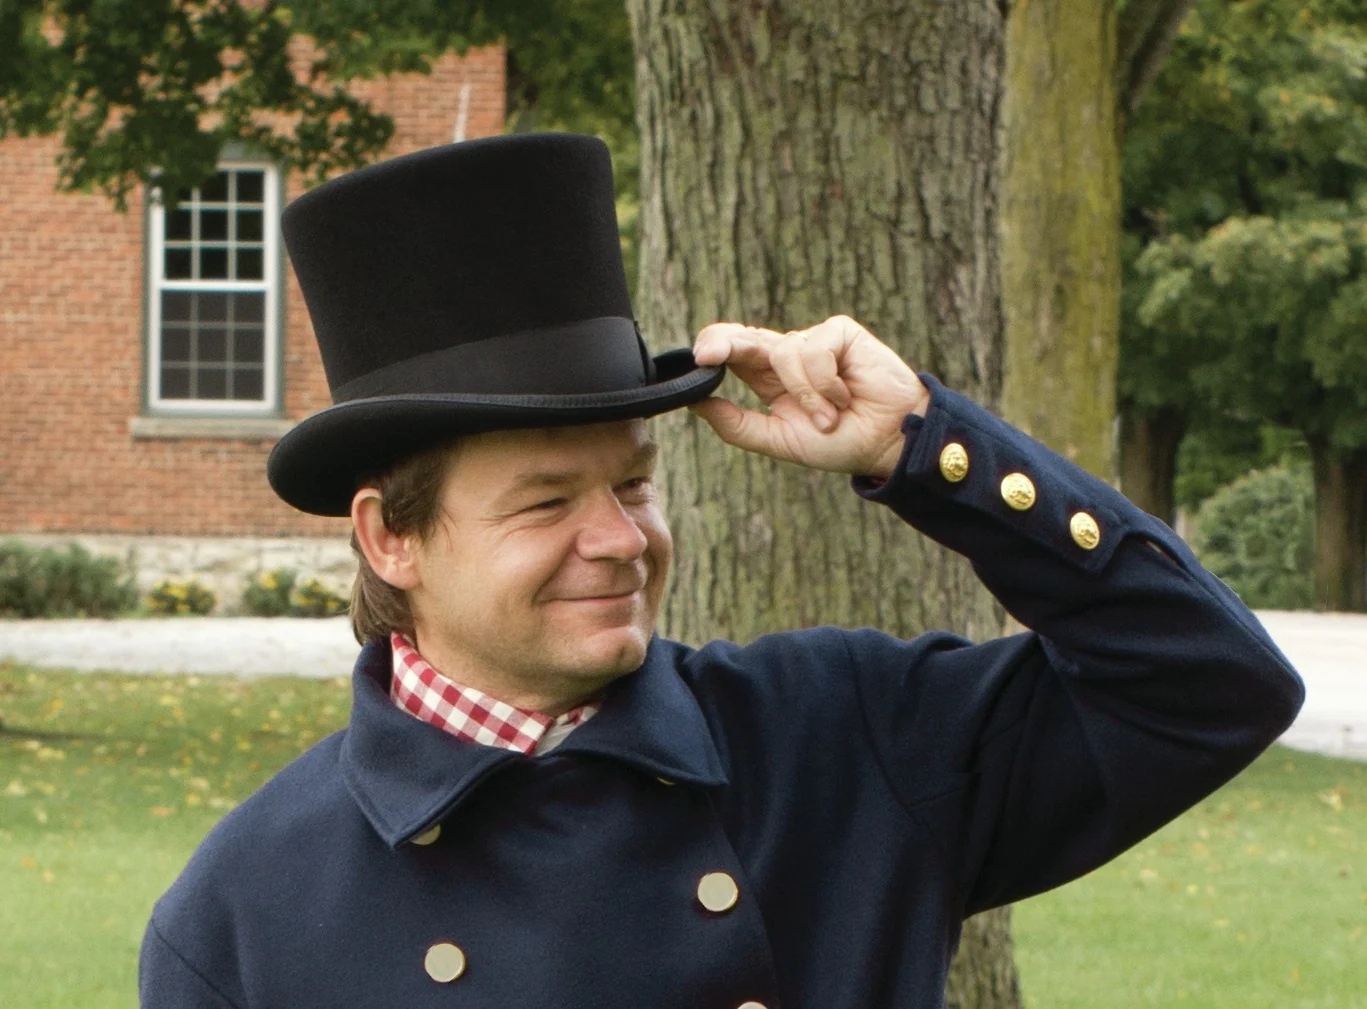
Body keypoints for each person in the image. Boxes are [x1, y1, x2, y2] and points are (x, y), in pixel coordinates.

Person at [139, 133, 1304, 1009]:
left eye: (633, 483)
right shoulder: (245, 912)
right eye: (545, 502)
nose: (618, 538)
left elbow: (1208, 686)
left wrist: (924, 449)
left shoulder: (838, 738)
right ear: (390, 537)